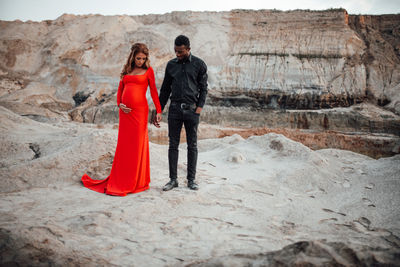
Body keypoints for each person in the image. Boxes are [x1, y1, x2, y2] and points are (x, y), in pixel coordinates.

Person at [81, 43, 162, 196]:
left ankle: (136, 181)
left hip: (139, 113)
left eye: (144, 59)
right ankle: (123, 179)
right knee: (125, 146)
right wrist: (120, 104)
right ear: (133, 57)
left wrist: (158, 110)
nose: (141, 61)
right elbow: (120, 90)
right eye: (138, 58)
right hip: (125, 114)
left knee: (137, 146)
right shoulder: (127, 70)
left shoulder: (148, 71)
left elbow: (153, 92)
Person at [156, 35, 208, 191]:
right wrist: (159, 110)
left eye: (180, 51)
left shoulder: (199, 64)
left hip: (192, 111)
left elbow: (204, 88)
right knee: (173, 145)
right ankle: (173, 180)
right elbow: (165, 90)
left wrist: (198, 109)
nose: (177, 54)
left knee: (192, 145)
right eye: (175, 51)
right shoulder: (171, 65)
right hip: (174, 111)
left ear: (188, 49)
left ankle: (191, 180)